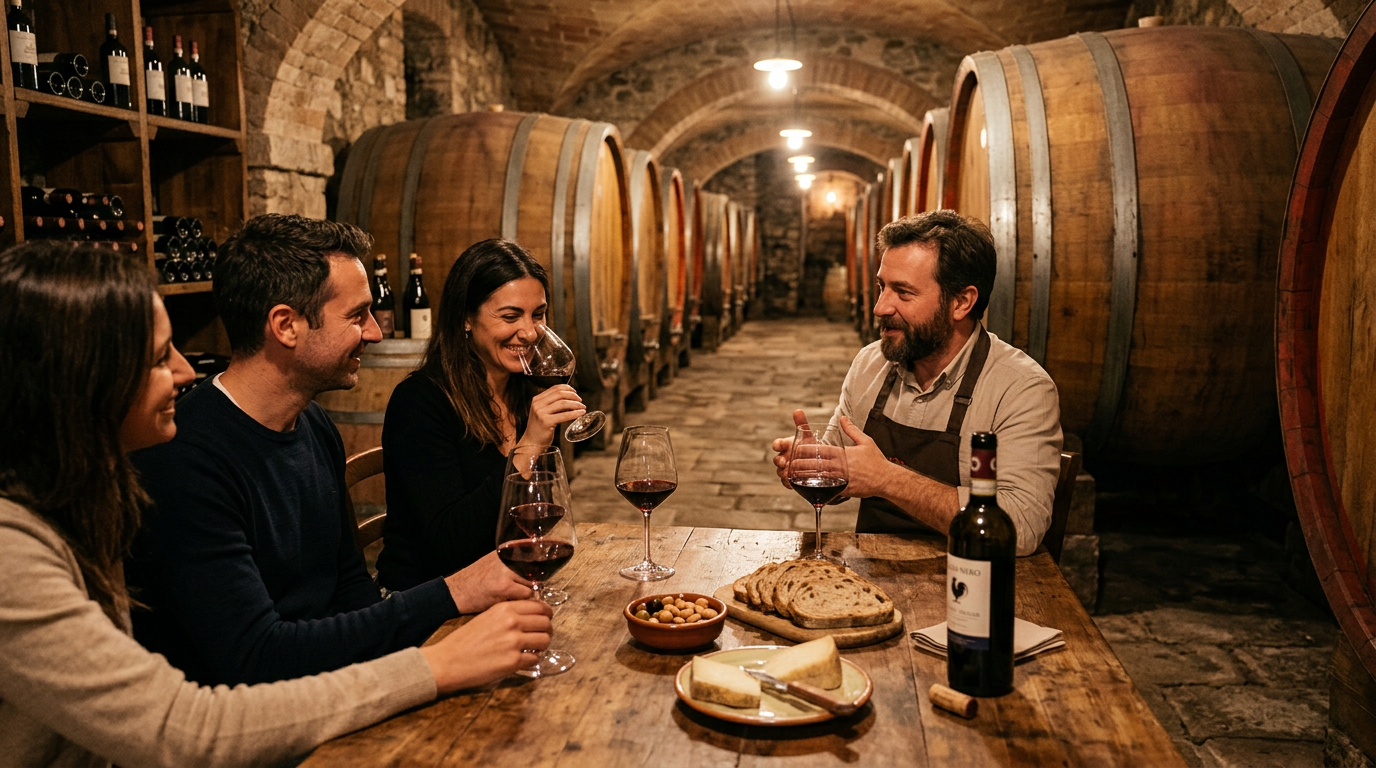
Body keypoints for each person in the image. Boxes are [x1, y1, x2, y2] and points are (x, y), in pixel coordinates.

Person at [0, 241, 552, 767]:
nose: (186, 371)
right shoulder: (28, 545)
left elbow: (348, 594)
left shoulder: (306, 424)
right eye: (156, 357)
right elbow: (188, 721)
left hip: (293, 707)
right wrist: (436, 660)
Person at [127, 216, 536, 687]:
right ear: (286, 325)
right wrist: (450, 595)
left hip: (334, 681)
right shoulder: (184, 458)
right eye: (357, 315)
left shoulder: (313, 424)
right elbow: (256, 657)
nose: (375, 332)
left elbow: (350, 586)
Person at [772, 210, 1062, 556]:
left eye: (903, 293)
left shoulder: (1020, 388)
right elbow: (842, 472)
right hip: (874, 582)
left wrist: (888, 479)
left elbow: (1021, 527)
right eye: (882, 287)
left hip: (971, 586)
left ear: (961, 302)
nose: (880, 307)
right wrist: (809, 461)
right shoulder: (871, 363)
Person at [376, 239, 586, 591]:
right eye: (510, 316)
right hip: (428, 601)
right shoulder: (419, 403)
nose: (531, 332)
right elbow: (452, 545)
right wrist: (529, 446)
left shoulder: (523, 391)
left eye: (538, 314)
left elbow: (539, 513)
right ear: (466, 319)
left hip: (505, 584)